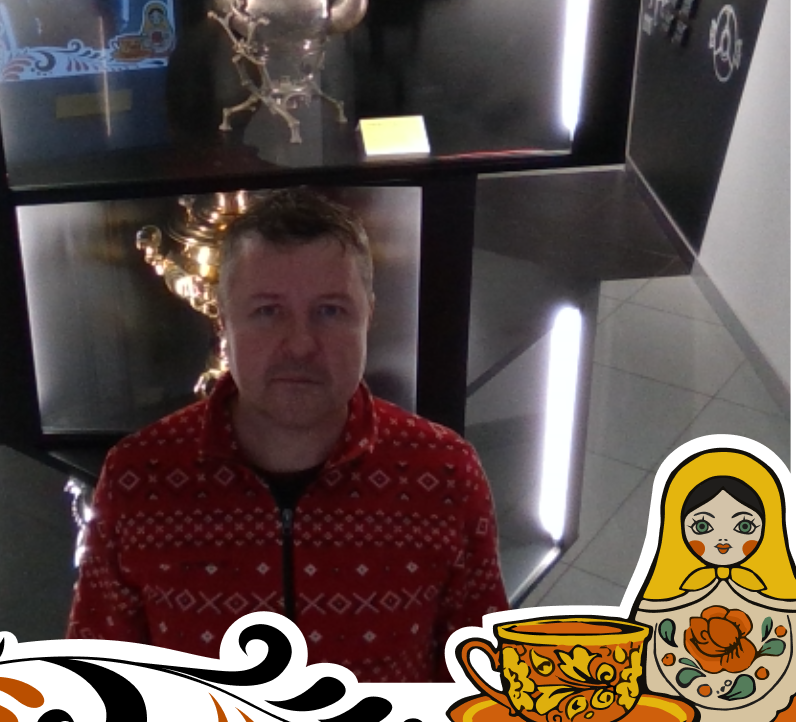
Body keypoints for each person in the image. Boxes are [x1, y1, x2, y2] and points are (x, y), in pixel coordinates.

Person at [67, 188, 510, 682]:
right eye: (268, 311)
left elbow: (484, 681)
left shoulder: (445, 474)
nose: (300, 344)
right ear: (223, 319)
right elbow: (100, 684)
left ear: (368, 315)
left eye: (330, 311)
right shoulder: (138, 479)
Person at [632, 448, 796, 722]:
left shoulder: (785, 604)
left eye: (743, 527)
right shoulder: (663, 601)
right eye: (702, 527)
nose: (722, 541)